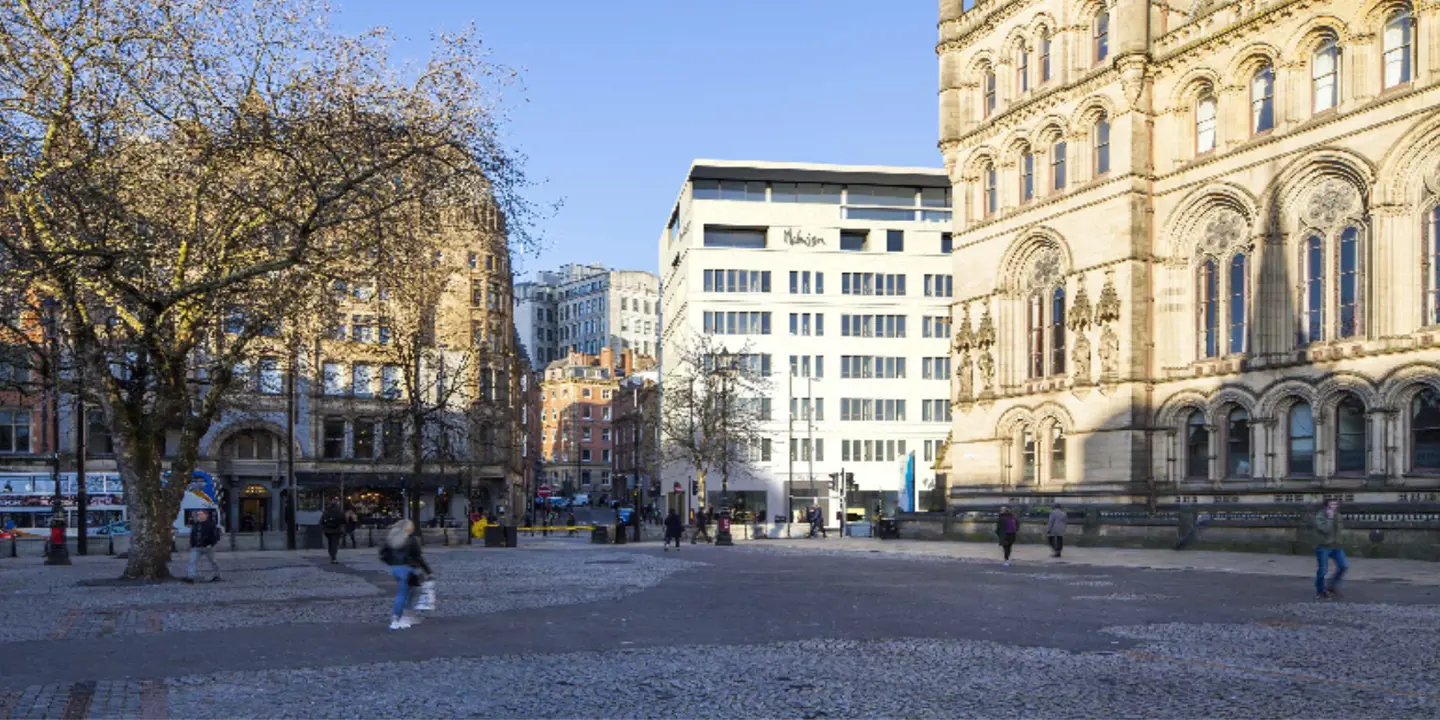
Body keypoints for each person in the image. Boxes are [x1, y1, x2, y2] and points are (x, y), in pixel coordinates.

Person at [381, 520, 432, 630]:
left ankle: (405, 614)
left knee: (407, 591)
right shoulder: (411, 539)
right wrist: (427, 571)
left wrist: (392, 563)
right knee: (405, 593)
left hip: (396, 568)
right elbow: (418, 557)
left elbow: (383, 554)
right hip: (408, 568)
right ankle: (398, 617)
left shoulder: (391, 538)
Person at [1314, 498, 1348, 600]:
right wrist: (1329, 518)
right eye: (1332, 505)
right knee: (1322, 570)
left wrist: (1340, 541)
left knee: (1344, 566)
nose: (1334, 507)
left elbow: (1339, 530)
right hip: (1323, 546)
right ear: (1326, 507)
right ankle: (1320, 591)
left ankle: (1331, 586)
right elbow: (1325, 530)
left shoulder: (1338, 516)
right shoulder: (1320, 517)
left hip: (1336, 546)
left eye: (1335, 505)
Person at [184, 510, 222, 583]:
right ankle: (190, 577)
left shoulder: (211, 524)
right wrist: (192, 544)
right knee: (192, 561)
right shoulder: (196, 525)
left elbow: (216, 536)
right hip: (196, 547)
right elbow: (192, 535)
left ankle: (217, 575)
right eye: (198, 514)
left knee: (213, 562)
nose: (199, 516)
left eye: (200, 514)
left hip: (208, 547)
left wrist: (211, 544)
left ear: (206, 515)